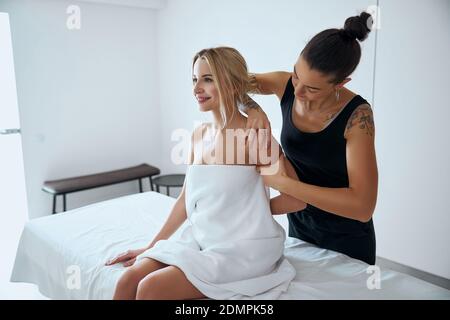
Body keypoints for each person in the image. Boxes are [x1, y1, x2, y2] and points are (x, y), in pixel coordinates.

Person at [105, 47, 306, 300]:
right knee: (128, 280)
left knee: (150, 288)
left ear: (232, 85)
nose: (196, 88)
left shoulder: (254, 135)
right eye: (194, 79)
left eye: (208, 79)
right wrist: (151, 246)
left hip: (242, 249)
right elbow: (185, 200)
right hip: (203, 239)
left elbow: (296, 200)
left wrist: (250, 211)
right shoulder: (198, 135)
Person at [244, 12, 378, 265]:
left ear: (340, 84)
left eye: (312, 88)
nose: (297, 90)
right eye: (296, 74)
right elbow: (228, 83)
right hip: (300, 231)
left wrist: (284, 185)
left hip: (346, 241)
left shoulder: (358, 116)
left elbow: (363, 207)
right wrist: (252, 107)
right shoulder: (284, 84)